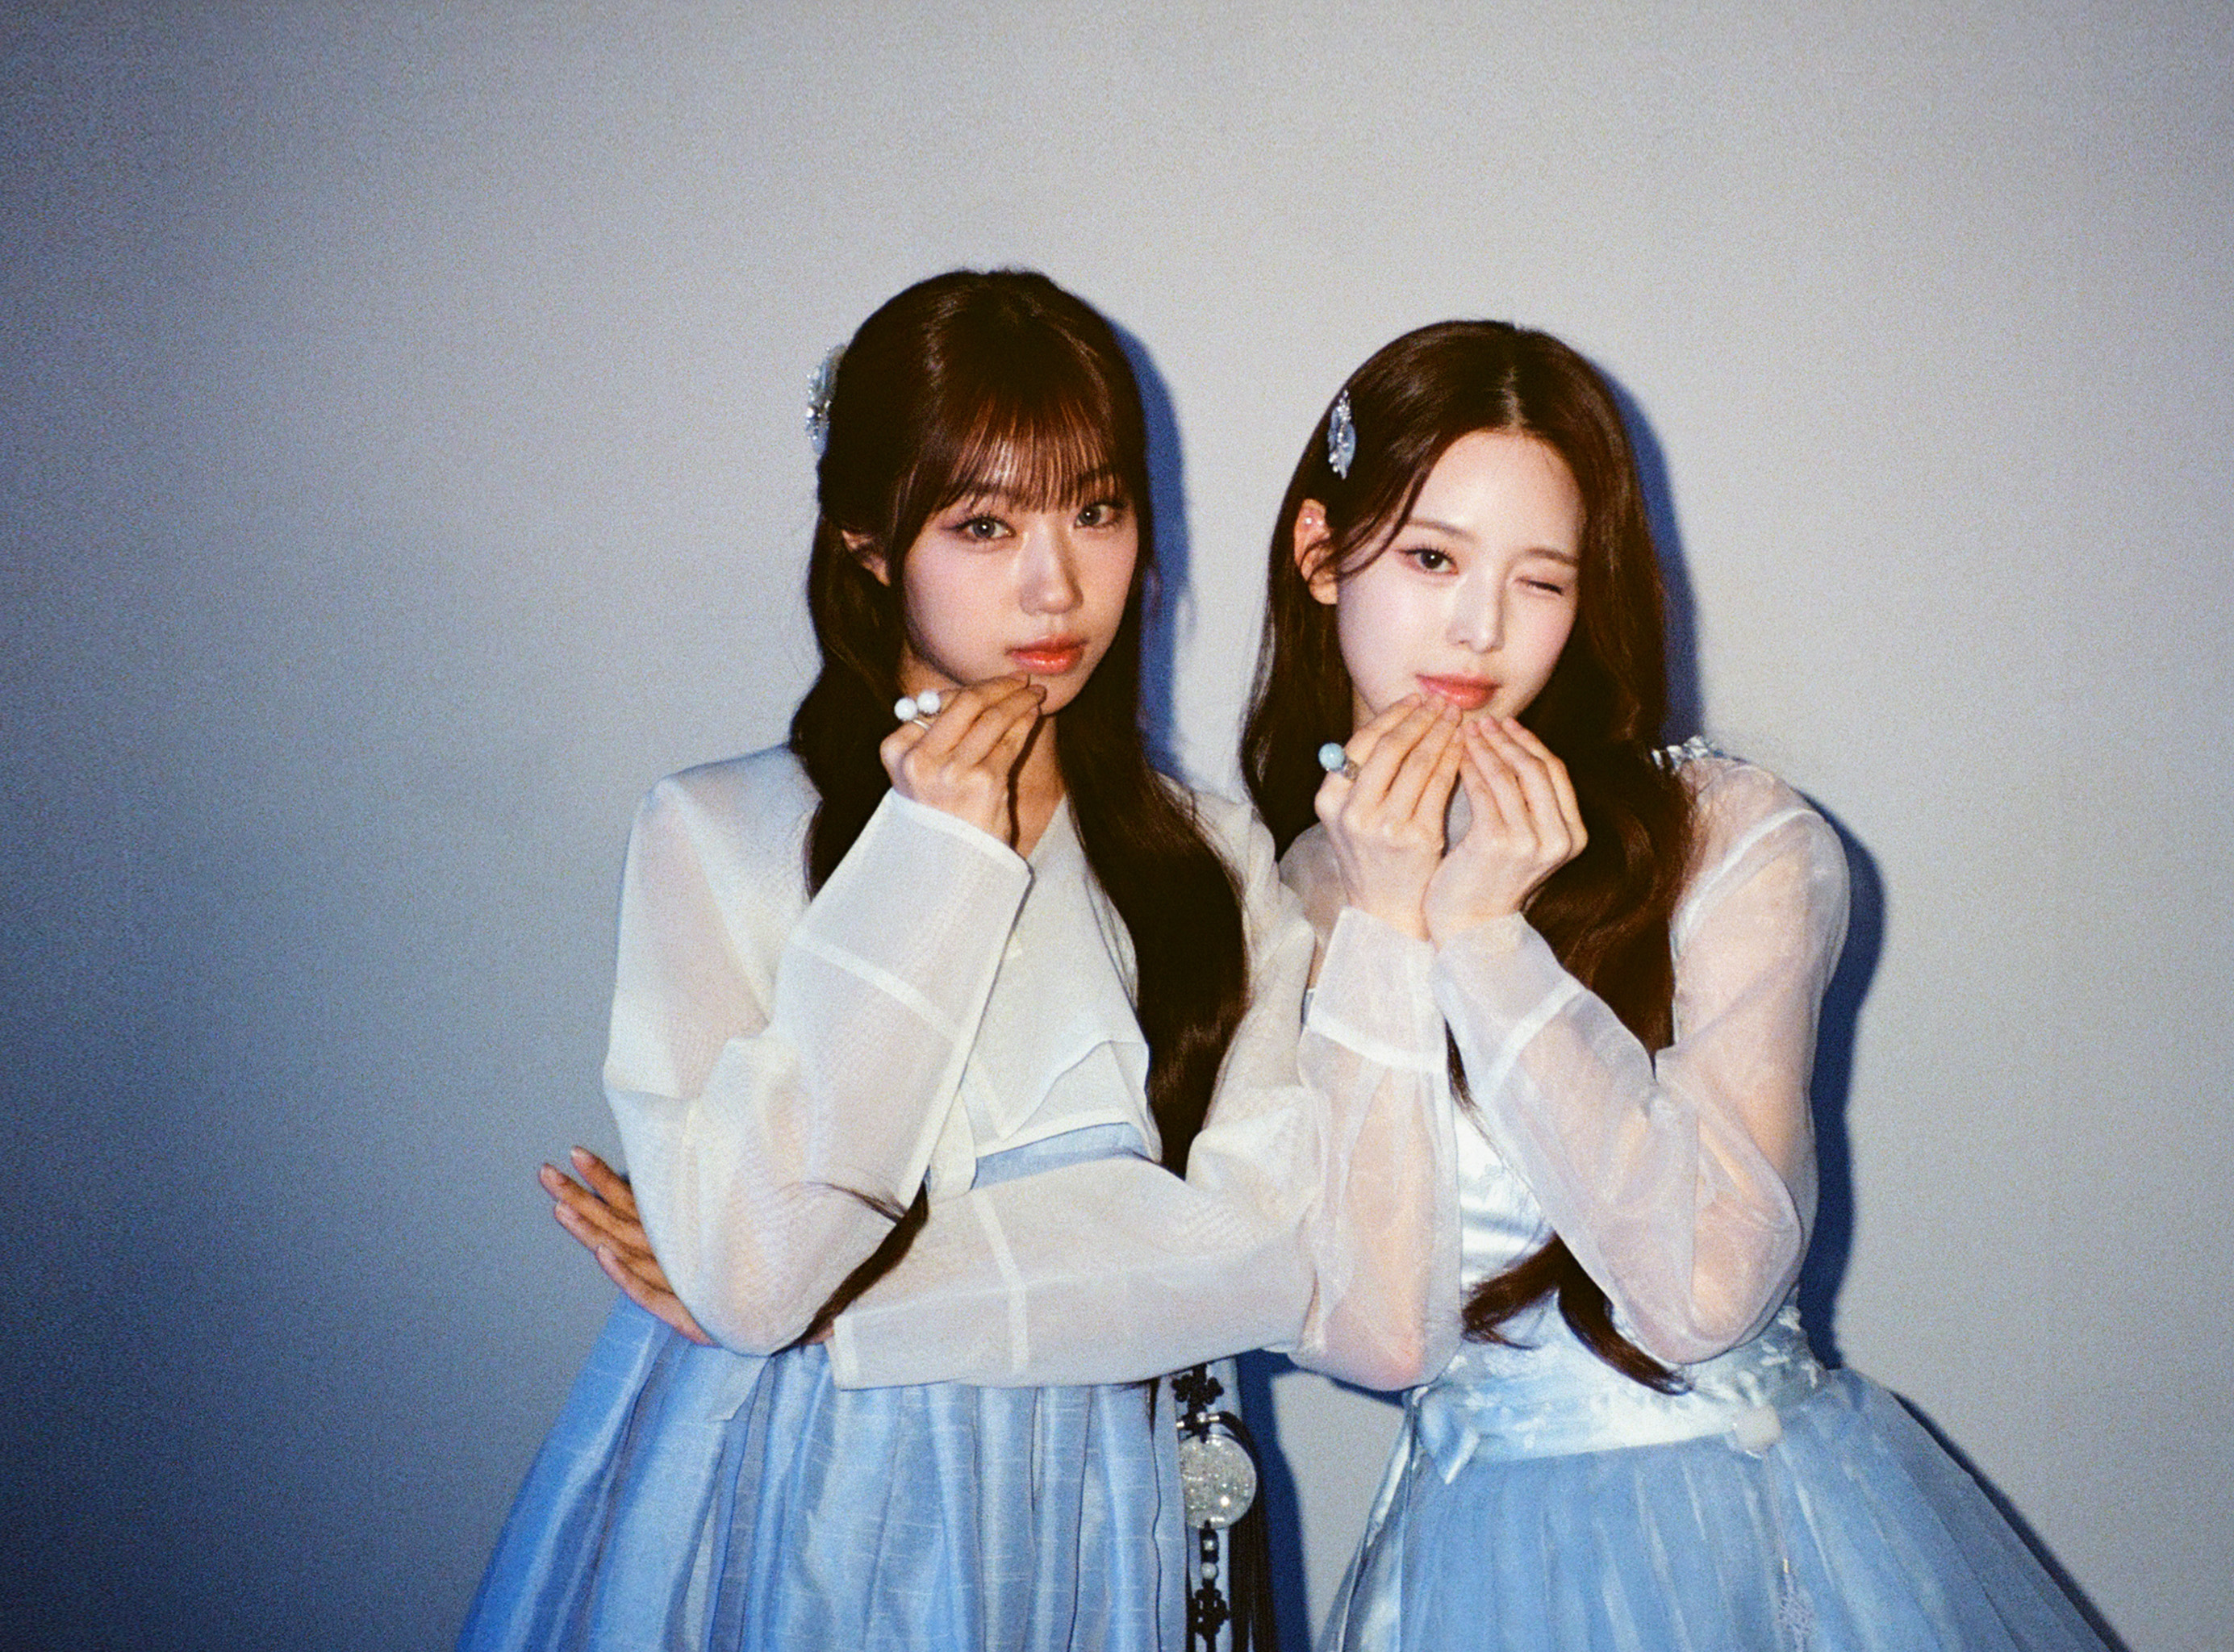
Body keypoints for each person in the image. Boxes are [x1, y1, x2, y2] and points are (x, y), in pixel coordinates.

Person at [462, 270, 1439, 1652]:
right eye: (984, 524)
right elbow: (756, 1272)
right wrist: (934, 863)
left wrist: (859, 1302)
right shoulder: (721, 833)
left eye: (1095, 511)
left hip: (1110, 1512)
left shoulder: (1212, 861)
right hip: (803, 1508)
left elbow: (1272, 1255)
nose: (1056, 585)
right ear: (867, 543)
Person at [1241, 319, 2111, 1650]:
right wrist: (1384, 925)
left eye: (1541, 580)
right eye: (1429, 558)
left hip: (1746, 1539)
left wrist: (1482, 935)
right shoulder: (1268, 895)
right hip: (1468, 1557)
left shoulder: (1732, 837)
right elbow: (1374, 1339)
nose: (1480, 629)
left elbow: (1705, 1297)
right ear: (1319, 552)